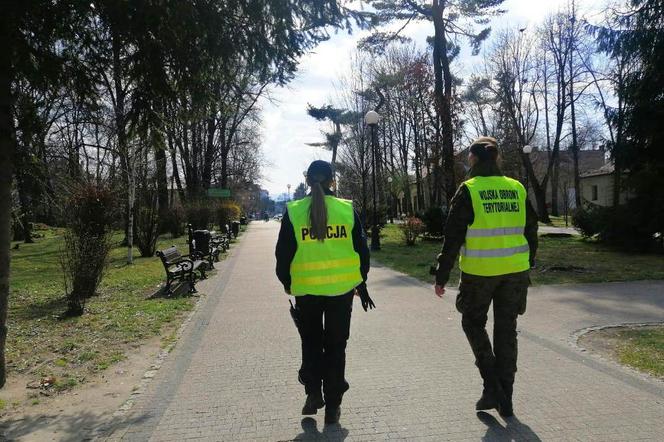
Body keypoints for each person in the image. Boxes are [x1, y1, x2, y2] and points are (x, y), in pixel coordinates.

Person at [433, 137, 538, 417]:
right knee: (507, 332)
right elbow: (531, 230)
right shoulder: (516, 188)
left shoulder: (469, 190)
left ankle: (492, 385)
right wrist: (529, 264)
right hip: (515, 273)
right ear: (498, 158)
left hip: (479, 274)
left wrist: (441, 276)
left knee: (472, 323)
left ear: (473, 159)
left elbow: (452, 237)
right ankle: (507, 397)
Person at [275, 160, 374, 424]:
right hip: (341, 291)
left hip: (306, 290)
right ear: (333, 181)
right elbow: (362, 251)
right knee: (336, 346)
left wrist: (286, 281)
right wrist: (359, 280)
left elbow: (283, 253)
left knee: (311, 343)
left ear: (308, 180)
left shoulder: (294, 211)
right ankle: (333, 405)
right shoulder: (346, 209)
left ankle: (312, 395)